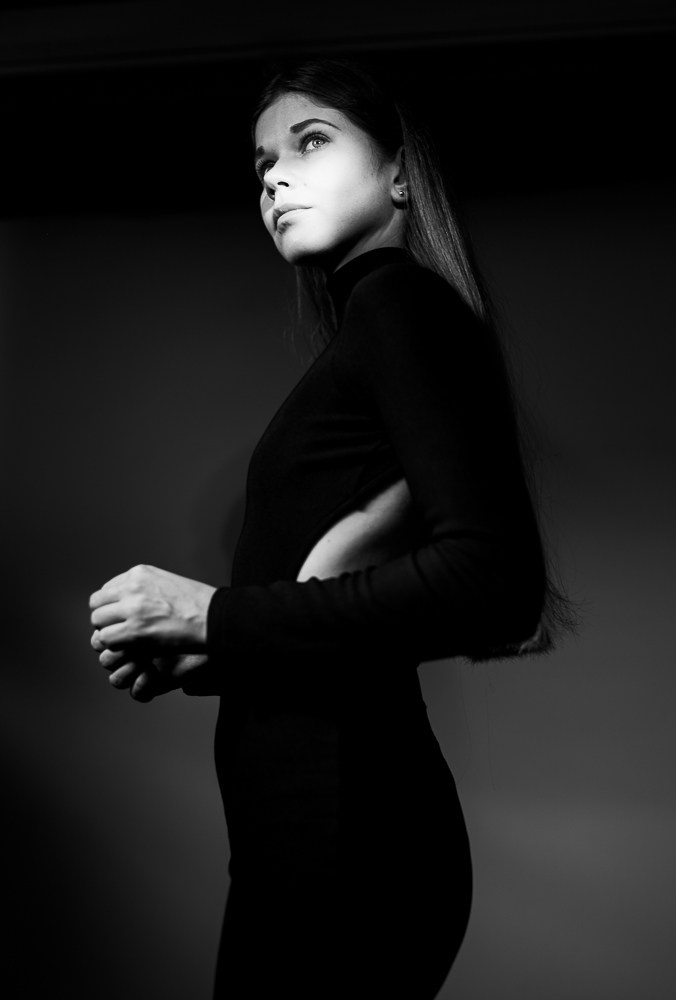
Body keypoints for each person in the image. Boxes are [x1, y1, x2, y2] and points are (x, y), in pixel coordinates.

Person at [89, 57, 565, 998]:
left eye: (310, 142)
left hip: (347, 833)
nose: (274, 178)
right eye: (262, 162)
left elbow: (494, 582)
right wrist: (213, 654)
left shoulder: (398, 304)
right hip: (315, 834)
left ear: (399, 175)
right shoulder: (374, 328)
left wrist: (213, 617)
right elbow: (337, 585)